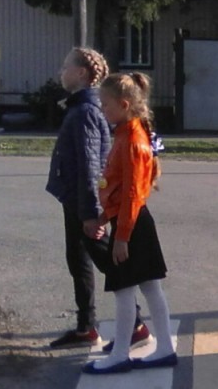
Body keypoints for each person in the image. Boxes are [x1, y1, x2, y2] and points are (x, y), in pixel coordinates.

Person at [46, 47, 149, 350]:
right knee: (78, 261)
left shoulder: (86, 111)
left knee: (108, 262)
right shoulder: (82, 107)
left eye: (66, 67)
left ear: (81, 73)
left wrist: (91, 213)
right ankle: (86, 328)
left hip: (86, 203)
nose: (61, 72)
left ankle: (136, 326)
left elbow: (91, 166)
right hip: (76, 199)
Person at [81, 72, 178, 374]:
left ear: (124, 105)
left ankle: (120, 354)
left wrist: (121, 236)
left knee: (124, 289)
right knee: (149, 287)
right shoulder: (126, 133)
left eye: (106, 105)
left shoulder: (133, 139)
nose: (102, 110)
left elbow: (133, 193)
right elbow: (120, 188)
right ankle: (164, 348)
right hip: (132, 220)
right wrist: (104, 216)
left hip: (132, 223)